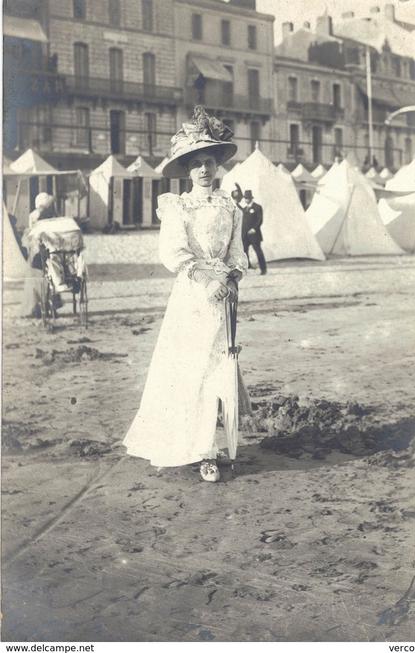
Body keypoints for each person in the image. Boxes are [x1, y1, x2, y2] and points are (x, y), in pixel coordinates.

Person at [123, 106, 249, 483]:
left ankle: (213, 443)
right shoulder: (178, 206)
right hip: (192, 296)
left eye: (209, 162)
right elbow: (175, 253)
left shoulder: (230, 205)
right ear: (187, 170)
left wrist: (232, 277)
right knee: (190, 371)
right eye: (196, 164)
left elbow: (237, 250)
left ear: (218, 165)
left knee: (218, 371)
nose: (204, 170)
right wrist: (206, 280)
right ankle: (200, 452)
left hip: (224, 295)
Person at [242, 190, 267, 275]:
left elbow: (260, 220)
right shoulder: (244, 209)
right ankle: (247, 266)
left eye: (247, 198)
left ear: (251, 198)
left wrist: (254, 229)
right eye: (245, 198)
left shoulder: (257, 207)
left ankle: (263, 269)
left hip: (254, 234)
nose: (246, 200)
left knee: (258, 251)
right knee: (244, 251)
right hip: (245, 235)